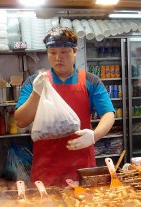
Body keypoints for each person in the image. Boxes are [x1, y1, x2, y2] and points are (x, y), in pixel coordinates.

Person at [14, 27, 115, 187]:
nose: (57, 58)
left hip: (82, 168)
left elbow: (108, 114)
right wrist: (36, 93)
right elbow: (20, 121)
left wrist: (95, 136)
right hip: (46, 169)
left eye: (64, 52)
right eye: (52, 52)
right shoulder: (35, 82)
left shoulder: (90, 80)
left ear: (75, 51)